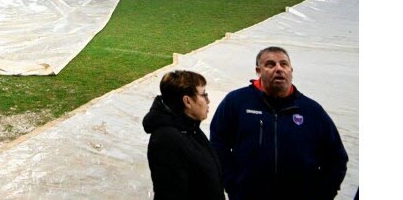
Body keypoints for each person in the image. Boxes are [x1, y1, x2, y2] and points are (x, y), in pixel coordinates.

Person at [210, 46, 348, 200]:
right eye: (270, 64)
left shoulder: (311, 110)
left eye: (284, 64)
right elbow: (217, 143)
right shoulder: (236, 102)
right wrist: (232, 185)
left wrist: (323, 195)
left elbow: (337, 158)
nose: (278, 69)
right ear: (258, 70)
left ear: (291, 70)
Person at [142, 70, 224, 200]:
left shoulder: (190, 127)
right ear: (187, 101)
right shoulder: (167, 141)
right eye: (204, 95)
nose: (208, 101)